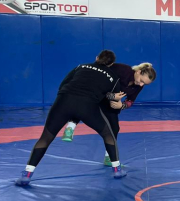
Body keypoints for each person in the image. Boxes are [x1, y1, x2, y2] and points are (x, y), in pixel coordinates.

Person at [15, 50, 127, 186]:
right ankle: (117, 170)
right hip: (87, 105)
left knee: (45, 138)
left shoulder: (81, 66)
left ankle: (27, 175)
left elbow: (63, 84)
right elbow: (111, 98)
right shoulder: (113, 77)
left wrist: (64, 101)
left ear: (96, 58)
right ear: (111, 64)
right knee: (108, 135)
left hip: (63, 101)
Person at [61, 62, 156, 165]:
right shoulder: (121, 69)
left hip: (111, 103)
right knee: (85, 104)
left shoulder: (139, 86)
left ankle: (109, 158)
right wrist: (111, 95)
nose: (141, 84)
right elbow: (99, 76)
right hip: (97, 92)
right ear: (138, 72)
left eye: (144, 84)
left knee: (114, 128)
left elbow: (130, 101)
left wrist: (122, 106)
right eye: (141, 81)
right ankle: (70, 127)